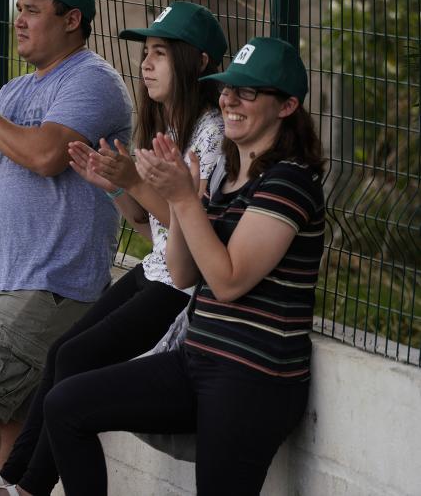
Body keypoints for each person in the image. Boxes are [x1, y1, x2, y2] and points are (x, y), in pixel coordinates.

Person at [0, 2, 227, 495]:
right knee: (64, 358)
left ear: (197, 63)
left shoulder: (209, 136)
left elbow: (188, 238)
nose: (147, 63)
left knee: (70, 368)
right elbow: (150, 226)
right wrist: (115, 186)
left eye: (161, 52)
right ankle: (14, 483)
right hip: (155, 267)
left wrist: (133, 178)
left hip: (176, 283)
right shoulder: (172, 130)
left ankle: (19, 486)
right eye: (146, 52)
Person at [43, 37, 326, 495]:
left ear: (288, 105)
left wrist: (180, 199)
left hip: (253, 379)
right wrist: (183, 200)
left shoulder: (289, 182)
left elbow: (230, 281)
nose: (229, 100)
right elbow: (184, 273)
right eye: (227, 89)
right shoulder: (229, 175)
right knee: (66, 405)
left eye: (248, 92)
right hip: (198, 361)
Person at [0, 0, 133, 476]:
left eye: (32, 10)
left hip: (52, 283)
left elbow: (47, 157)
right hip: (5, 280)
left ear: (71, 20)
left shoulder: (92, 81)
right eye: (17, 10)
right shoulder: (15, 91)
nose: (19, 20)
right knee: (12, 428)